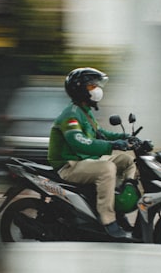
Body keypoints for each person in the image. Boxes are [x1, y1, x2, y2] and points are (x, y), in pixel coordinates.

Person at [47, 67, 135, 240]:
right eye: (91, 87)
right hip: (69, 165)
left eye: (96, 86)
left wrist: (125, 137)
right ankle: (108, 220)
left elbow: (101, 133)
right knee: (107, 168)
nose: (97, 90)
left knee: (127, 160)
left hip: (84, 162)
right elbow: (79, 142)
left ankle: (118, 208)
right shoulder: (70, 115)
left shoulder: (84, 112)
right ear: (80, 89)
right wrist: (111, 145)